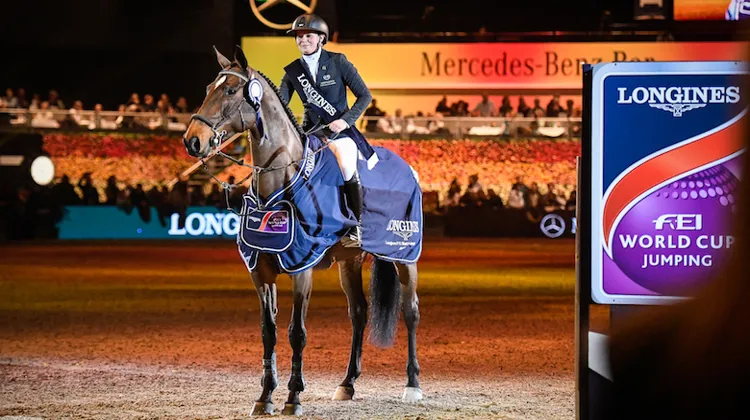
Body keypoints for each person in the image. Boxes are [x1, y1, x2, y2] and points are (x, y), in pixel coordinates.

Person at [280, 13, 375, 247]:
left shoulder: (338, 61)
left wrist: (345, 121)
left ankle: (356, 226)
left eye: (308, 36)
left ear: (321, 38)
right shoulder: (293, 72)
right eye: (299, 36)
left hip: (340, 133)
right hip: (310, 134)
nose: (303, 40)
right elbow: (280, 105)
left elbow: (365, 96)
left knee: (346, 166)